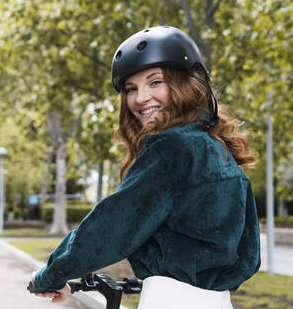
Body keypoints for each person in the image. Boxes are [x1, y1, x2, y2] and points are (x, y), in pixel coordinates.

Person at [31, 26, 260, 308]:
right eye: (131, 89)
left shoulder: (171, 148)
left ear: (185, 84)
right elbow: (249, 253)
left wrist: (51, 275)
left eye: (154, 82)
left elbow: (110, 228)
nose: (140, 98)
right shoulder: (220, 150)